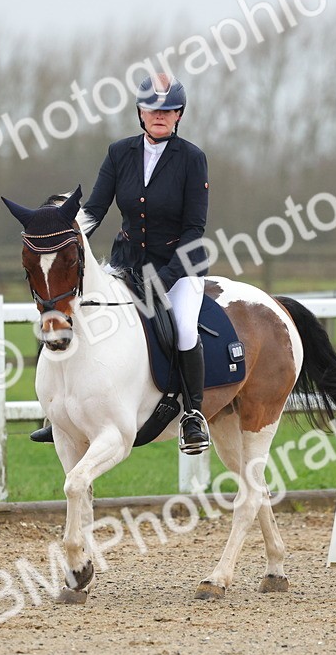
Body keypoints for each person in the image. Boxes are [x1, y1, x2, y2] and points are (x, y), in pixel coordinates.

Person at [31, 73, 211, 454]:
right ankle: (57, 413)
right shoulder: (120, 152)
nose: (159, 116)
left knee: (182, 328)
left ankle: (193, 416)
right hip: (127, 264)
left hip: (178, 269)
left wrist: (165, 278)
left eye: (168, 110)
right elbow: (95, 208)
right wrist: (62, 236)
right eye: (152, 109)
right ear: (140, 113)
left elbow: (195, 229)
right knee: (67, 311)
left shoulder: (192, 159)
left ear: (179, 115)